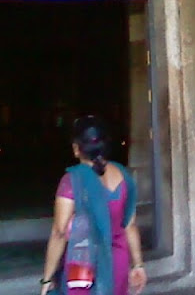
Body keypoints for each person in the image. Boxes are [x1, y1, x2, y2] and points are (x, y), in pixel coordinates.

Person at [40, 116, 147, 295]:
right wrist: (138, 264)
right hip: (117, 264)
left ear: (76, 149)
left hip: (83, 265)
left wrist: (47, 279)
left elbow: (59, 232)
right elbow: (129, 224)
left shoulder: (72, 180)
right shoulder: (123, 175)